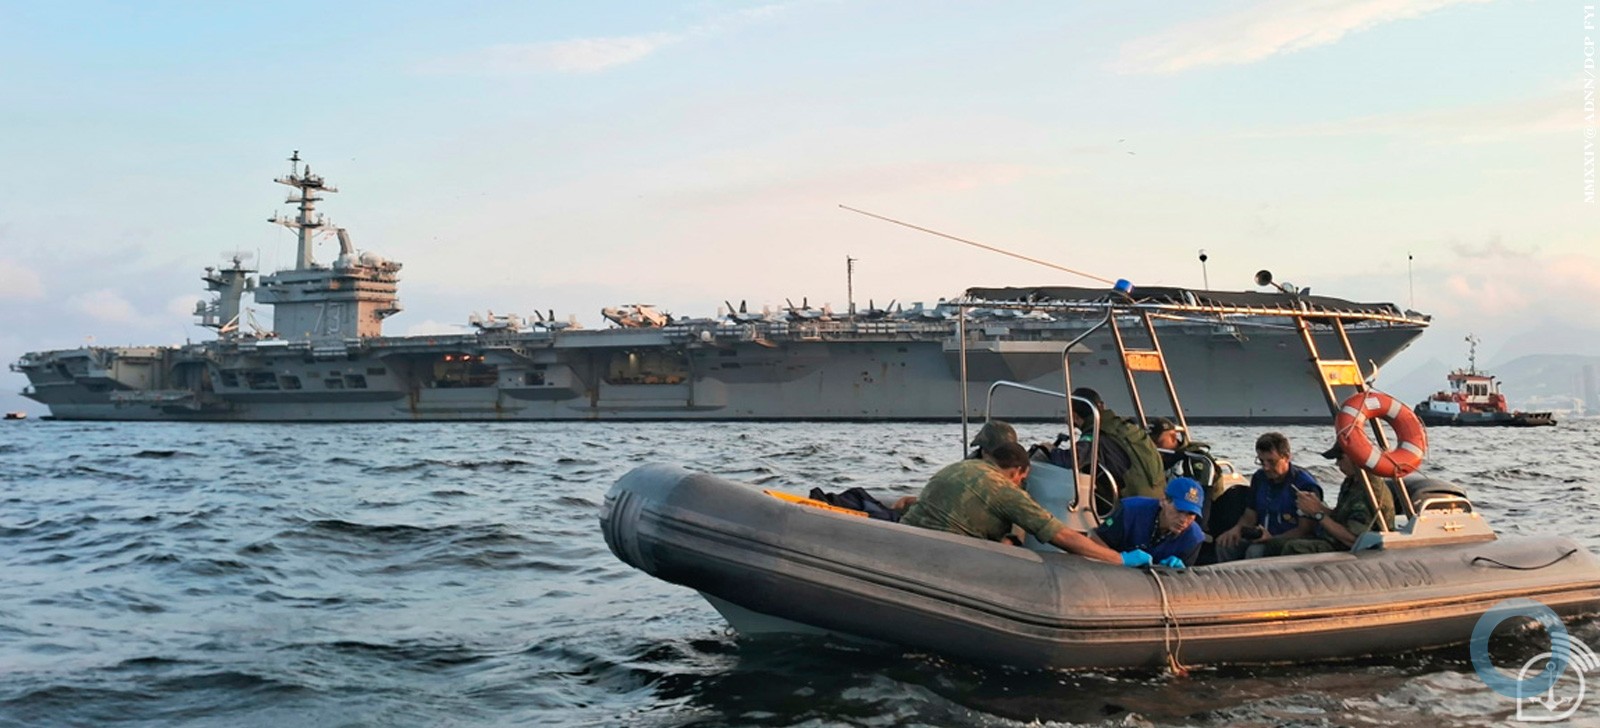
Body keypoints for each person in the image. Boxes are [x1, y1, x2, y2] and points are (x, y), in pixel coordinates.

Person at [901, 442, 1156, 568]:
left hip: (906, 541)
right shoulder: (1005, 491)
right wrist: (1119, 559)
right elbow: (1063, 536)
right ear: (1019, 472)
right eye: (1024, 478)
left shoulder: (961, 467)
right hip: (943, 557)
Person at [1266, 442, 1397, 555]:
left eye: (1340, 458)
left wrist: (1318, 514)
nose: (1337, 463)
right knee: (1275, 543)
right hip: (1335, 539)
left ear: (1355, 458)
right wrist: (1318, 506)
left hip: (1353, 547)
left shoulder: (1368, 492)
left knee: (1293, 548)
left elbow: (1354, 539)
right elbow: (1342, 516)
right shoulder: (1351, 482)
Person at [1213, 432, 1323, 561]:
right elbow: (1250, 515)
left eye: (1271, 462)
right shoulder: (1259, 478)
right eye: (1261, 461)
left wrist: (1272, 539)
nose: (1266, 467)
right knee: (1225, 544)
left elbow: (1305, 529)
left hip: (1289, 539)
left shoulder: (1304, 485)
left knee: (1255, 551)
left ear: (1286, 457)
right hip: (1260, 535)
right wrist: (1237, 529)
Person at [1068, 387, 1165, 499]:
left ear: (1074, 416)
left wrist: (1048, 450)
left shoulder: (1096, 434)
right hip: (1158, 498)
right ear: (1102, 406)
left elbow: (1072, 460)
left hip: (1130, 504)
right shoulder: (1129, 427)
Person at [1090, 477, 1207, 569]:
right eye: (1179, 510)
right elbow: (1096, 539)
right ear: (1163, 501)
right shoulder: (1130, 510)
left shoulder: (1193, 538)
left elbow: (1184, 577)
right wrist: (1118, 559)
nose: (1184, 519)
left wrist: (1178, 573)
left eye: (1191, 514)